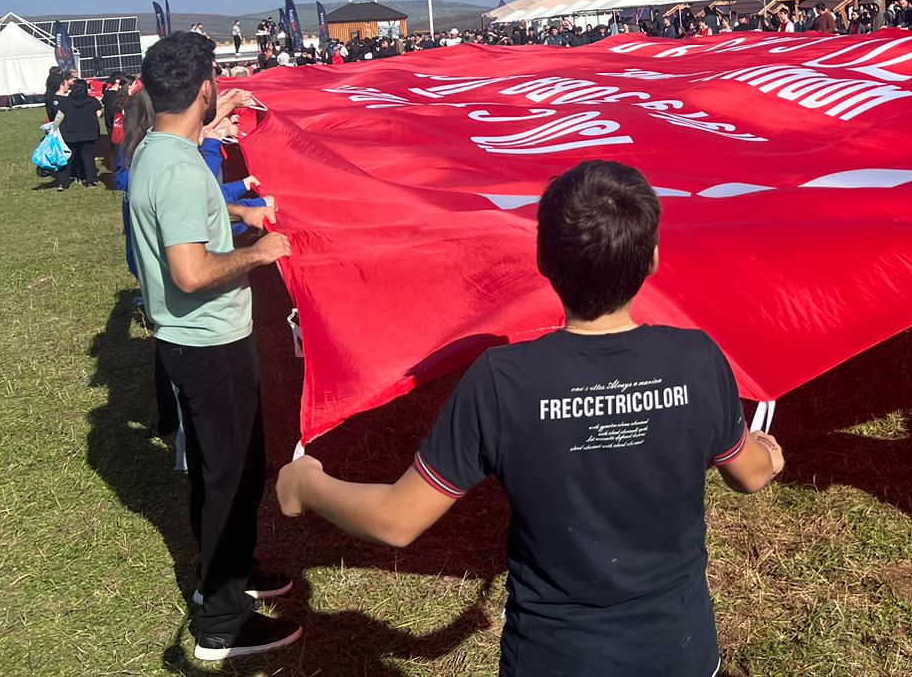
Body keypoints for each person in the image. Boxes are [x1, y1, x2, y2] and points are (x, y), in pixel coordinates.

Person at [276, 160, 784, 677]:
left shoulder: (502, 380)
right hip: (680, 653)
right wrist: (768, 451)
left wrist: (308, 483)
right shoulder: (697, 358)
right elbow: (748, 473)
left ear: (541, 258)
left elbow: (396, 520)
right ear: (652, 258)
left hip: (554, 658)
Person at [127, 32, 298, 661]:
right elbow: (191, 272)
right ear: (206, 89)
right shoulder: (175, 168)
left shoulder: (162, 149)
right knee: (230, 474)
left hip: (199, 341)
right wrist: (260, 252)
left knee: (224, 466)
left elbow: (188, 228)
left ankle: (233, 568)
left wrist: (238, 216)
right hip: (207, 343)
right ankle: (220, 622)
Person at [54, 79, 103, 189]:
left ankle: (62, 183)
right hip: (88, 134)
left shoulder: (65, 102)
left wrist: (53, 129)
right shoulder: (92, 101)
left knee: (67, 159)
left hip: (70, 134)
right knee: (89, 158)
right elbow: (99, 112)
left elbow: (58, 117)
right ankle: (90, 181)